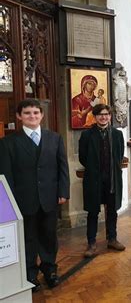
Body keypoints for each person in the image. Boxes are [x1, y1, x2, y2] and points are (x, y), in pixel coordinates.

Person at [0, 99, 70, 291]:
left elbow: (62, 168)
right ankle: (30, 274)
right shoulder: (8, 143)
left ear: (42, 115)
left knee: (49, 237)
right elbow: (6, 174)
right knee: (28, 238)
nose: (32, 116)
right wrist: (10, 202)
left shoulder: (54, 138)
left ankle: (50, 270)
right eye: (27, 113)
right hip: (24, 199)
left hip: (50, 198)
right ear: (19, 116)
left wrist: (63, 192)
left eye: (36, 113)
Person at [79, 104, 126, 258]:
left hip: (112, 179)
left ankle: (112, 239)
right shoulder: (87, 135)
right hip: (94, 179)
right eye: (100, 114)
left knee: (112, 210)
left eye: (106, 114)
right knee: (93, 211)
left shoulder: (117, 134)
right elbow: (83, 157)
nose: (103, 117)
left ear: (110, 116)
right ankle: (91, 243)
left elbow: (120, 155)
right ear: (95, 116)